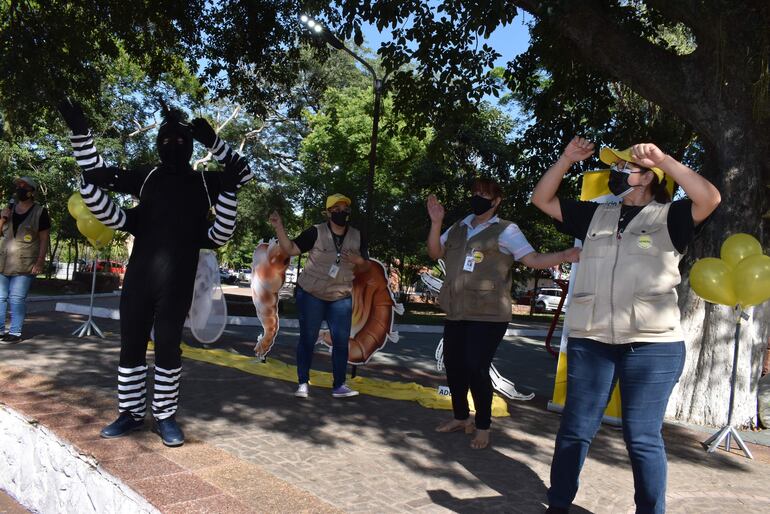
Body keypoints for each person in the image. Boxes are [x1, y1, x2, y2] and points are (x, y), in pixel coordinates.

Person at [531, 137, 721, 513]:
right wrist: (565, 159)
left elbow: (710, 198)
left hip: (653, 346)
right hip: (591, 340)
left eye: (625, 168)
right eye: (614, 168)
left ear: (649, 177)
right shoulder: (596, 215)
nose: (617, 174)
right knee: (575, 430)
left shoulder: (673, 217)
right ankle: (558, 504)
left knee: (642, 437)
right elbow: (542, 199)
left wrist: (665, 159)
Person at [58, 99, 253, 446]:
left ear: (191, 145)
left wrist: (215, 143)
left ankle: (165, 416)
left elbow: (242, 174)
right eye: (165, 140)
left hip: (178, 282)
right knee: (131, 344)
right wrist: (80, 134)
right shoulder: (146, 176)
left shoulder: (206, 182)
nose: (172, 145)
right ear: (157, 144)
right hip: (139, 279)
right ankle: (130, 412)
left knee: (167, 347)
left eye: (180, 140)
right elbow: (97, 175)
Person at [426, 178, 581, 449]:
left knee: (476, 368)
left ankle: (483, 426)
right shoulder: (459, 227)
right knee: (454, 367)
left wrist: (565, 255)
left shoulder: (506, 230)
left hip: (488, 313)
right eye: (474, 193)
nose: (477, 198)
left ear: (496, 201)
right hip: (456, 310)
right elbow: (434, 252)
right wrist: (436, 221)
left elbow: (532, 259)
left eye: (484, 195)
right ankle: (462, 418)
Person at [269, 194, 369, 399]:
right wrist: (279, 227)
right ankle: (303, 383)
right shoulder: (316, 232)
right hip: (311, 294)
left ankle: (339, 385)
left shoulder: (358, 236)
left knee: (341, 342)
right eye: (337, 209)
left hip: (340, 296)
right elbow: (291, 249)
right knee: (308, 338)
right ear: (329, 212)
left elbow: (366, 266)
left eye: (345, 208)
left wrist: (359, 260)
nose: (342, 212)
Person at [0, 176, 50, 344]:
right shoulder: (8, 209)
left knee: (16, 298)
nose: (19, 188)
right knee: (0, 298)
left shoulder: (40, 212)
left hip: (26, 263)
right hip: (3, 261)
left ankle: (15, 332)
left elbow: (44, 239)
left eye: (23, 186)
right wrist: (2, 218)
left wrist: (40, 261)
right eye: (18, 186)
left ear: (31, 192)